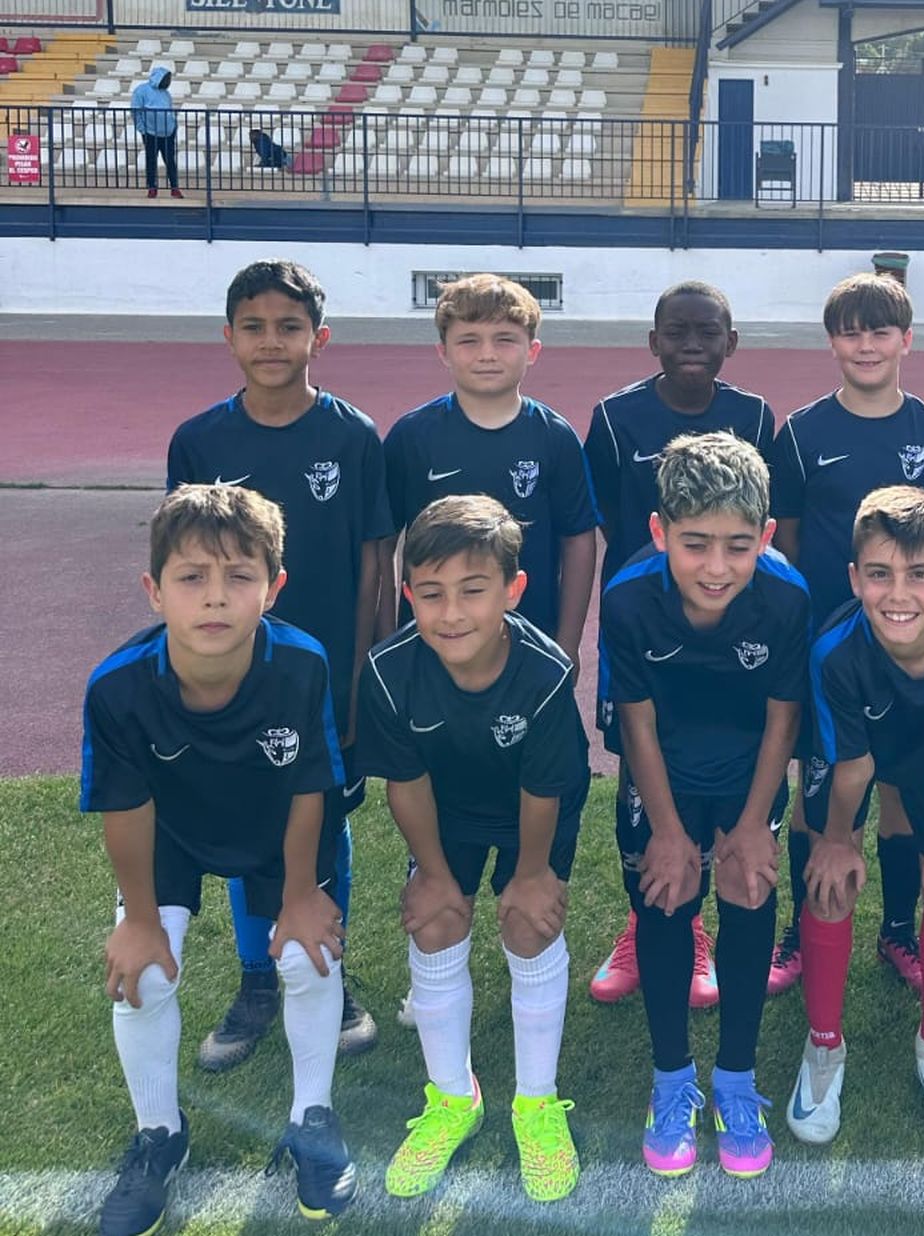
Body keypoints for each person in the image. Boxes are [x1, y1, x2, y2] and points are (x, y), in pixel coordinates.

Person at [83, 484, 356, 1236]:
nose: (215, 598)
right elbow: (126, 809)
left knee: (309, 957)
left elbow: (309, 786)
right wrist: (141, 919)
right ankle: (160, 1135)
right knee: (138, 971)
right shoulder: (116, 688)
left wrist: (300, 893)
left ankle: (311, 1119)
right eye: (191, 577)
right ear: (154, 591)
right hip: (172, 830)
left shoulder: (302, 666)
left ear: (274, 588)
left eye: (239, 576)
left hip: (277, 830)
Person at [167, 258, 388, 1072]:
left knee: (323, 824)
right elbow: (184, 562)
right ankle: (261, 976)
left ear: (317, 338)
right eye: (254, 327)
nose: (271, 341)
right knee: (248, 820)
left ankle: (323, 966)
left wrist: (368, 680)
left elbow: (376, 564)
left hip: (328, 680)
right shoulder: (199, 440)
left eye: (289, 326)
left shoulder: (352, 436)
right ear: (228, 338)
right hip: (234, 677)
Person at [380, 274, 599, 1027]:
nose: (486, 353)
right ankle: (438, 942)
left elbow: (580, 537)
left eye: (504, 339)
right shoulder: (412, 437)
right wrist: (392, 642)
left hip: (524, 667)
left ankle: (526, 907)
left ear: (532, 351)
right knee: (440, 785)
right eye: (468, 340)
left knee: (529, 780)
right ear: (442, 350)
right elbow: (391, 545)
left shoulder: (552, 436)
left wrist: (566, 647)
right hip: (437, 659)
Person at [357, 495, 588, 1202]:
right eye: (430, 594)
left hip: (532, 807)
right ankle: (453, 1098)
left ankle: (537, 1104)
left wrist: (530, 874)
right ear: (408, 597)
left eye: (472, 591)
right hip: (446, 806)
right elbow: (407, 781)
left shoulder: (547, 674)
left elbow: (544, 789)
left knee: (526, 921)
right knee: (435, 919)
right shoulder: (388, 671)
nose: (451, 613)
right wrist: (431, 873)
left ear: (513, 591)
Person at [598, 432, 809, 1177]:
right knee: (666, 899)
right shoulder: (626, 597)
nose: (716, 568)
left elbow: (784, 714)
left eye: (737, 545)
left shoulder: (786, 596)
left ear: (766, 537)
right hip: (665, 770)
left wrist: (753, 825)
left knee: (749, 893)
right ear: (659, 533)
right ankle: (671, 1081)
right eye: (694, 544)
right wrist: (666, 829)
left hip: (749, 770)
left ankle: (738, 1081)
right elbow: (638, 718)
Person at [766, 273, 924, 998]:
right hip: (829, 647)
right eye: (850, 332)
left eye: (880, 331)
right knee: (815, 784)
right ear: (832, 343)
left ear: (906, 341)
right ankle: (799, 929)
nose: (865, 345)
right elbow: (786, 542)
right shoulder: (800, 432)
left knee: (901, 786)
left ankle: (897, 929)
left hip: (913, 642)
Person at [787, 486, 924, 1145]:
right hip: (857, 750)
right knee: (828, 878)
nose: (898, 594)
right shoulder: (834, 652)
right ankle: (824, 1047)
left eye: (920, 575)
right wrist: (837, 839)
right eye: (879, 575)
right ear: (855, 578)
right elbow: (850, 765)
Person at [584, 280, 775, 1009]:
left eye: (708, 332)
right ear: (653, 340)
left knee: (727, 763)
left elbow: (763, 522)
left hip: (733, 634)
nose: (693, 344)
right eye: (678, 331)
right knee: (641, 770)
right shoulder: (613, 419)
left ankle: (713, 925)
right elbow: (608, 520)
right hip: (646, 634)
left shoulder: (755, 416)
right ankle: (652, 919)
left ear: (732, 342)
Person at [131, 65, 181, 199]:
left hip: (168, 132)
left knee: (170, 160)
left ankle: (174, 187)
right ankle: (152, 187)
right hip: (150, 132)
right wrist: (142, 129)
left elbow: (169, 110)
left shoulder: (166, 94)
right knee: (151, 160)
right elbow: (136, 111)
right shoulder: (141, 91)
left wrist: (173, 126)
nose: (168, 82)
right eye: (166, 79)